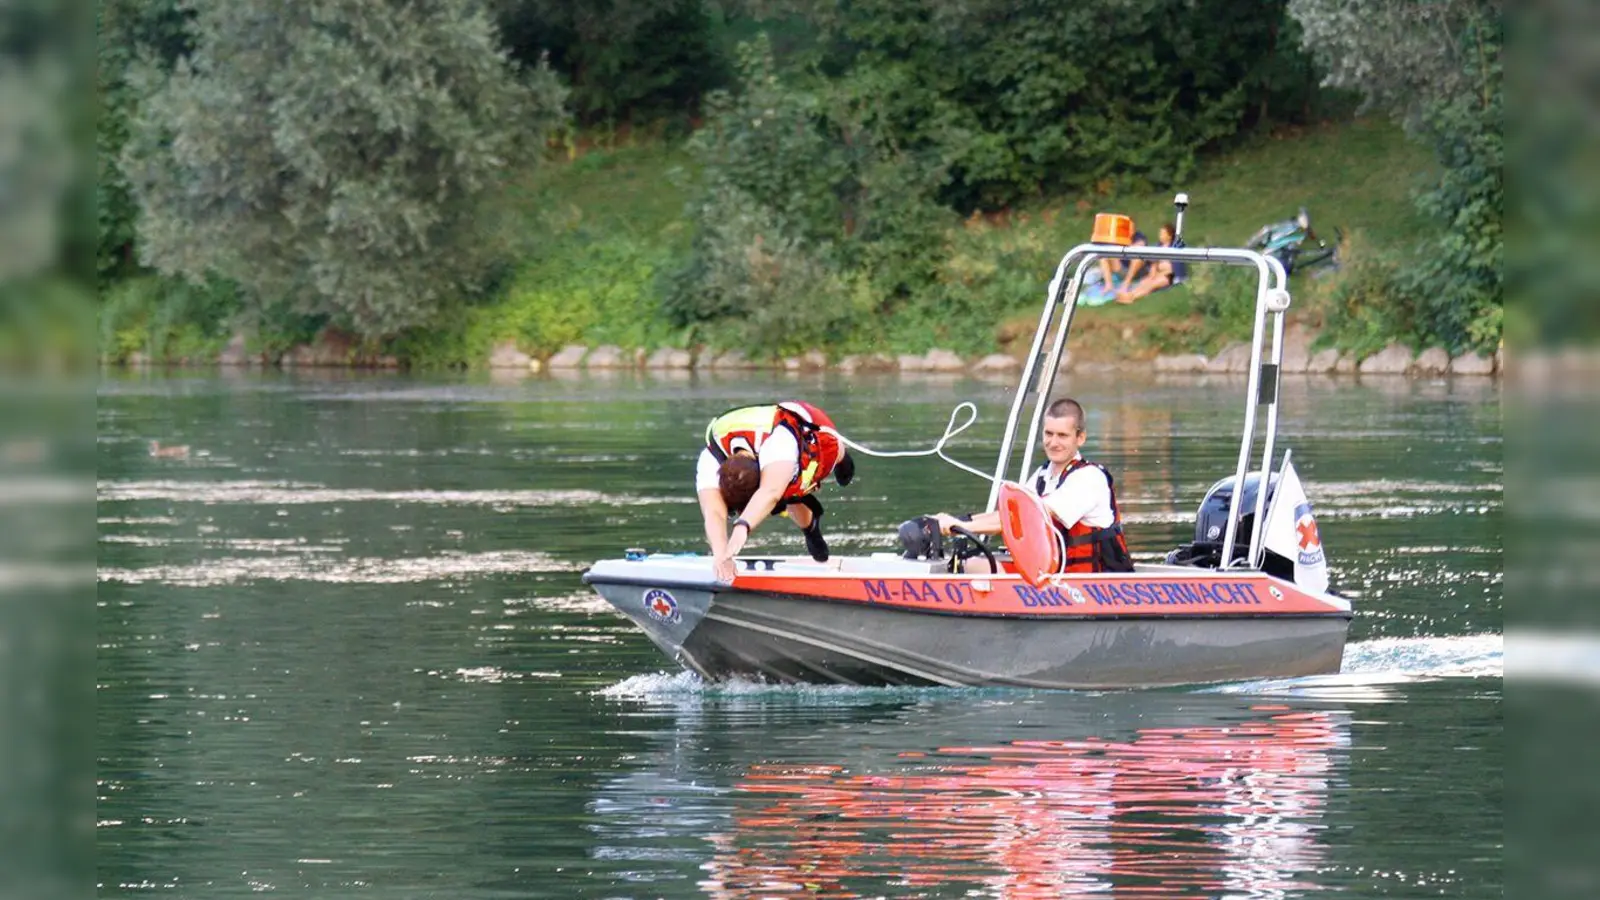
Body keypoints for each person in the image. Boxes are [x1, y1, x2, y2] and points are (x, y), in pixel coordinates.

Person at [927, 397, 1132, 574]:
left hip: (1092, 584)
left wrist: (961, 527)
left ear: (1080, 438)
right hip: (1057, 578)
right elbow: (1010, 514)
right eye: (1048, 434)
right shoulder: (1044, 475)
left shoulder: (1089, 478)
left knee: (977, 567)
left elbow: (1027, 517)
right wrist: (959, 521)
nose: (1053, 442)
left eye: (1062, 435)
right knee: (969, 564)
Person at [697, 401, 856, 582]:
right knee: (780, 494)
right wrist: (720, 554)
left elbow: (770, 492)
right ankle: (810, 527)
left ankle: (842, 456)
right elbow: (714, 512)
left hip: (810, 429)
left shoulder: (779, 446)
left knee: (787, 491)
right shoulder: (710, 458)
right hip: (765, 436)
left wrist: (742, 527)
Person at [1115, 223, 1185, 304]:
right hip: (1159, 273)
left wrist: (1157, 276)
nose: (1160, 235)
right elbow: (1154, 264)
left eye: (1163, 234)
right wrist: (1152, 275)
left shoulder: (1173, 248)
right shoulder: (1159, 247)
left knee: (1152, 284)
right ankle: (1129, 294)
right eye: (1160, 233)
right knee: (1145, 282)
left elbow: (1173, 270)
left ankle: (1131, 297)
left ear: (1169, 236)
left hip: (1171, 276)